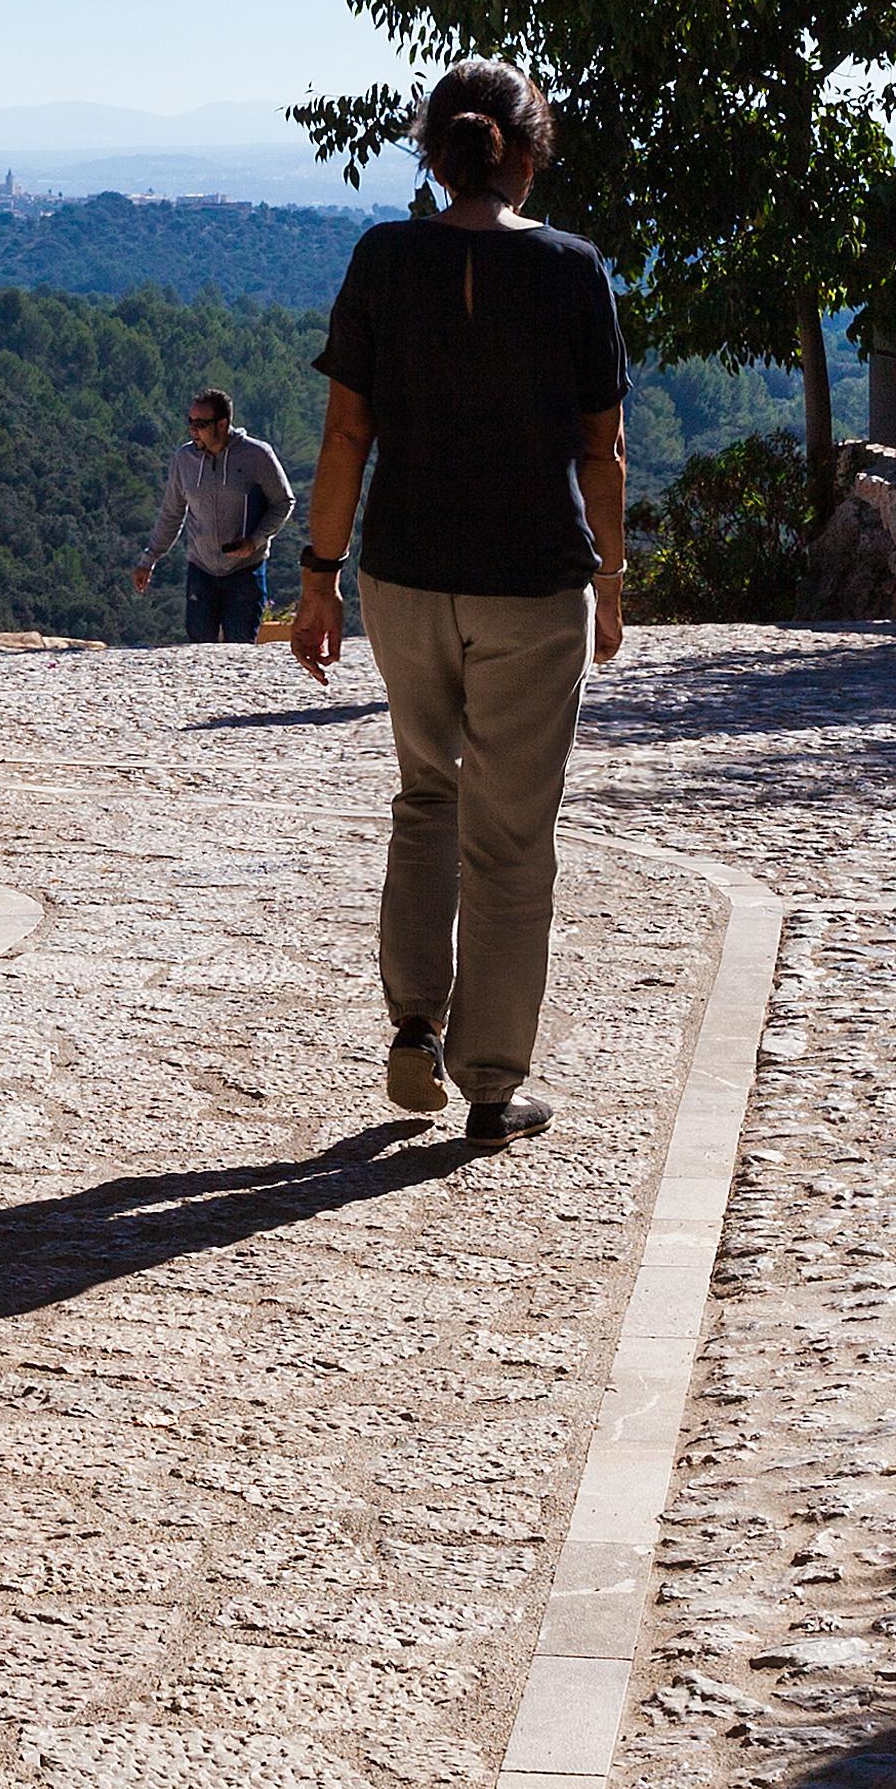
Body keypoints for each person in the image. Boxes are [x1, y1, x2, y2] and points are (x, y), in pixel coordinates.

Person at [288, 60, 629, 1146]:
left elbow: (348, 435)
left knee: (424, 796)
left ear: (432, 157)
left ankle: (412, 1027)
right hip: (534, 585)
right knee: (514, 837)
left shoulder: (383, 260)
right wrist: (611, 585)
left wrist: (318, 576)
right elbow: (602, 449)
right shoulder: (574, 271)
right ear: (528, 153)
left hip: (404, 575)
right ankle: (491, 1081)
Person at [127, 389, 295, 644]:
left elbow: (283, 502)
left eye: (201, 424)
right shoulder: (184, 460)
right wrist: (148, 560)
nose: (193, 430)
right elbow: (172, 514)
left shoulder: (257, 455)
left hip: (245, 571)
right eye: (190, 423)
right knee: (200, 648)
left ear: (222, 424)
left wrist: (256, 540)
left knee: (240, 650)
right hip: (201, 571)